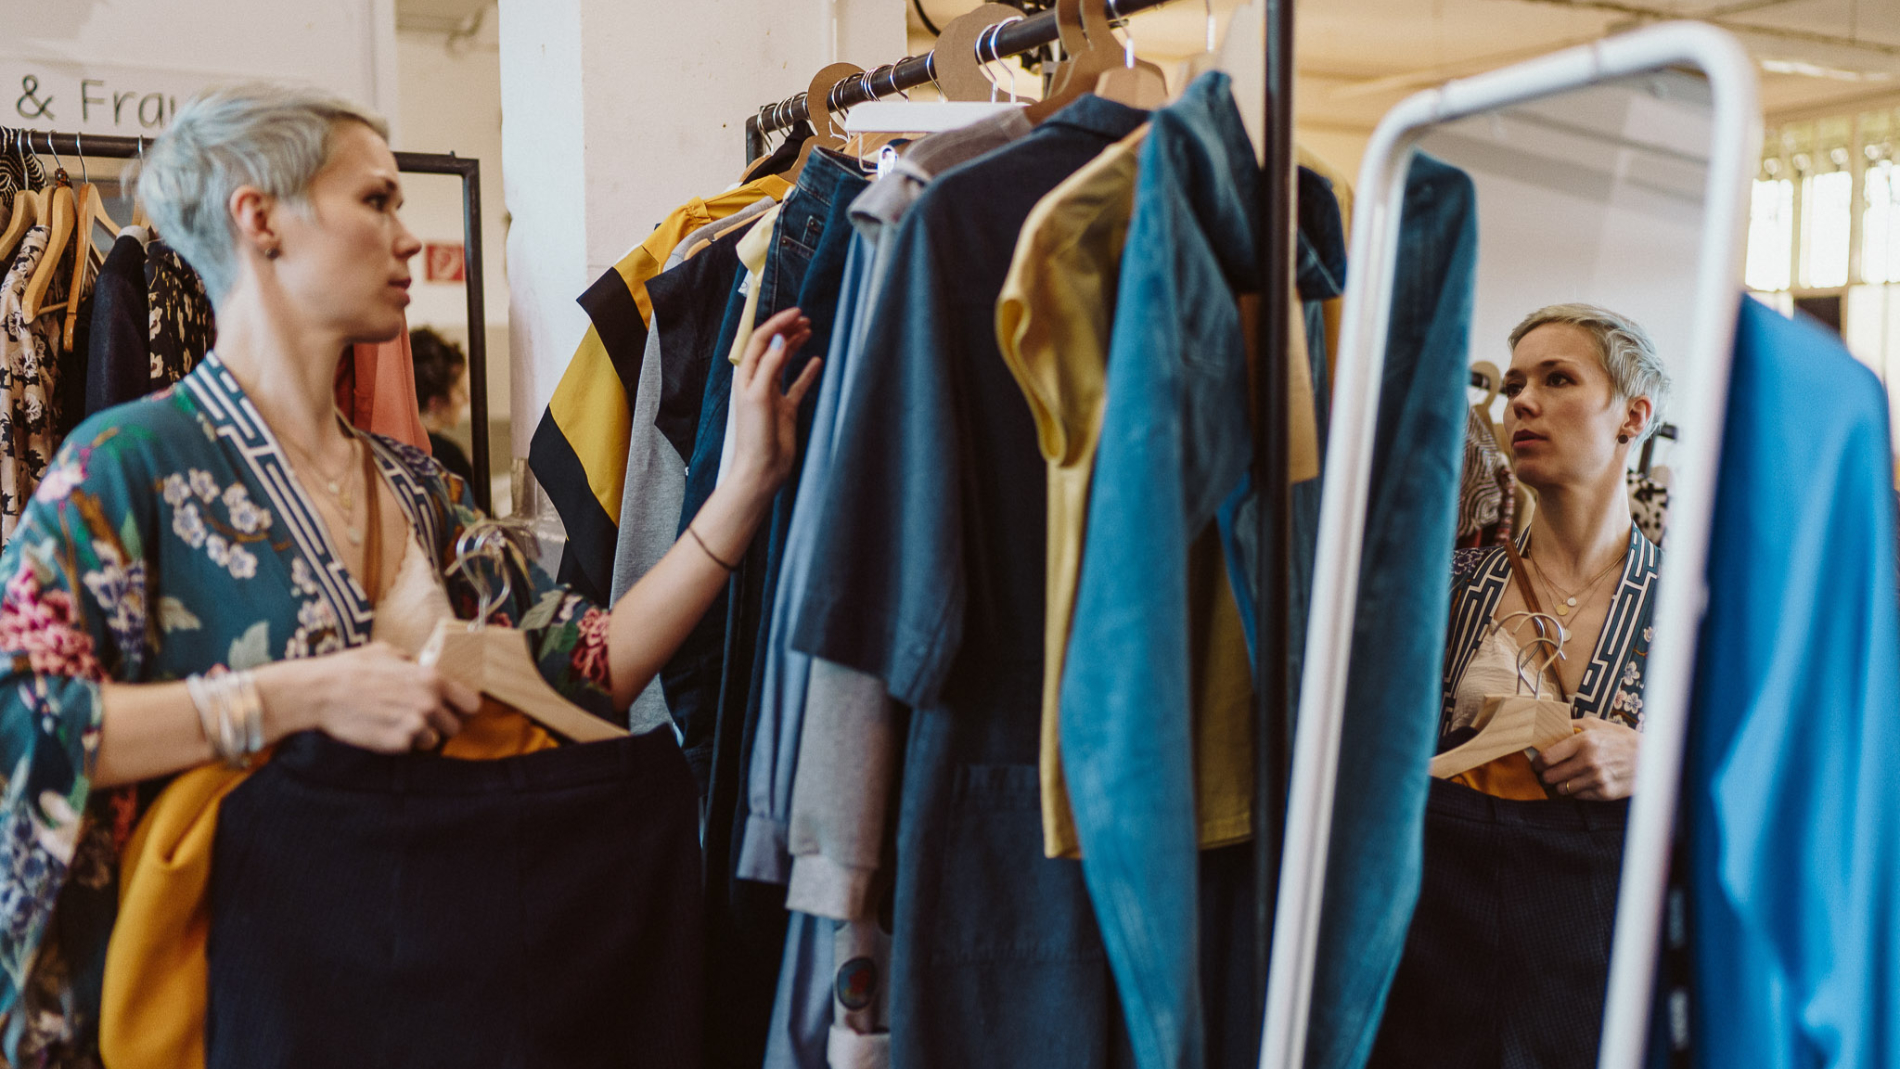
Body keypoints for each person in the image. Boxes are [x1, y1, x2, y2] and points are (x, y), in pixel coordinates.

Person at [0, 84, 817, 1062]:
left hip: (383, 994)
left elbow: (587, 673)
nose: (405, 236)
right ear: (259, 218)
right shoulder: (127, 464)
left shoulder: (416, 489)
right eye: (376, 201)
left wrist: (740, 493)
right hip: (209, 1010)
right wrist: (298, 696)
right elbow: (26, 719)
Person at [1370, 303, 1671, 1069]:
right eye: (1513, 386)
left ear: (1632, 415)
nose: (1521, 402)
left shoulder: (1692, 604)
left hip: (1599, 970)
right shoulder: (1446, 587)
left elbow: (1767, 781)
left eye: (1557, 378)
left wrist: (1660, 760)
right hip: (1440, 958)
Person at [410, 325, 476, 486]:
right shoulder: (450, 458)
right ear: (435, 402)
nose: (466, 400)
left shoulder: (390, 445)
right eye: (460, 392)